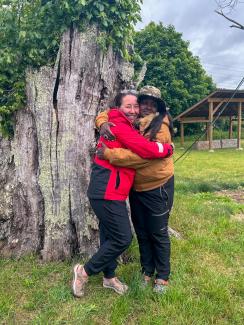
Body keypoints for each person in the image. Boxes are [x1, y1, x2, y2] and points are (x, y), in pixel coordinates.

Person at [72, 91, 173, 297]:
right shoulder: (121, 125)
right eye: (132, 105)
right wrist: (166, 149)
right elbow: (146, 149)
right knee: (124, 238)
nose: (137, 109)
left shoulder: (143, 125)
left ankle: (113, 277)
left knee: (117, 235)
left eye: (139, 106)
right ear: (118, 108)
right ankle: (84, 272)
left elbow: (145, 153)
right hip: (109, 189)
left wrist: (164, 147)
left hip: (134, 188)